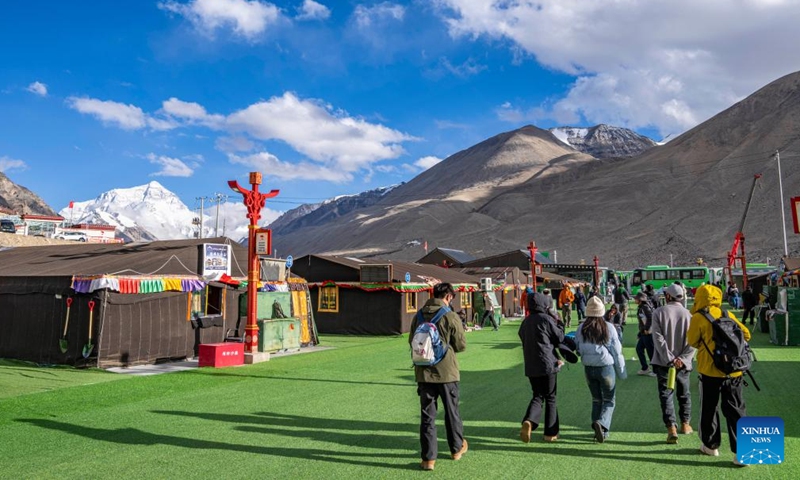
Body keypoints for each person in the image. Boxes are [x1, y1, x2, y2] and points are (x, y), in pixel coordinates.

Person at [687, 284, 751, 467]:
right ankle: (743, 454)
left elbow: (692, 341)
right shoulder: (727, 315)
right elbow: (746, 334)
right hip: (734, 371)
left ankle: (711, 446)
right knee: (736, 410)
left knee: (709, 408)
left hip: (710, 371)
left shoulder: (698, 318)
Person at [409, 283, 468, 471]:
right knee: (451, 412)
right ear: (449, 297)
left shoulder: (418, 315)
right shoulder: (449, 315)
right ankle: (456, 449)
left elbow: (412, 341)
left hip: (423, 372)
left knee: (427, 416)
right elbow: (460, 345)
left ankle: (428, 459)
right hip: (446, 372)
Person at [576, 296, 627, 443]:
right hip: (605, 366)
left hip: (588, 368)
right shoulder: (608, 327)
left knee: (596, 399)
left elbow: (578, 348)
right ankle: (603, 425)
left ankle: (597, 427)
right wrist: (622, 372)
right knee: (609, 399)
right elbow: (616, 351)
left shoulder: (581, 328)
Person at [651, 284, 696, 444]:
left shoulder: (658, 312)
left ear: (668, 296)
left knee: (666, 394)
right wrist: (682, 359)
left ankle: (671, 428)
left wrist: (669, 358)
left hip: (664, 363)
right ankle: (686, 424)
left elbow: (657, 339)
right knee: (684, 394)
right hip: (683, 364)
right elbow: (693, 342)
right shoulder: (689, 314)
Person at [519, 291, 565, 444]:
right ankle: (550, 433)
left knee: (537, 395)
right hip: (548, 363)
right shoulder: (546, 319)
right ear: (544, 304)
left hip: (531, 365)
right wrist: (559, 324)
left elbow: (521, 337)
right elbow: (559, 337)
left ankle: (529, 420)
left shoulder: (525, 322)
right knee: (551, 397)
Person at [634, 292, 656, 376]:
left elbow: (650, 318)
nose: (634, 299)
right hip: (644, 333)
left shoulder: (645, 307)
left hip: (648, 333)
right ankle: (645, 368)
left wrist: (646, 329)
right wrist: (640, 333)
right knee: (639, 349)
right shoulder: (642, 307)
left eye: (636, 298)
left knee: (651, 352)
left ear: (640, 300)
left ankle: (655, 370)